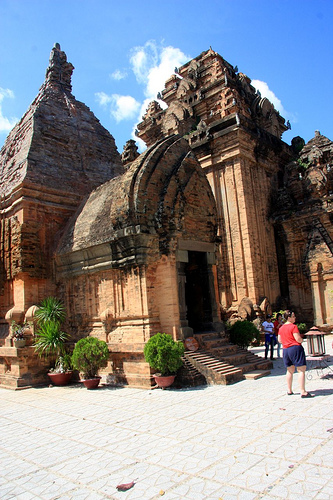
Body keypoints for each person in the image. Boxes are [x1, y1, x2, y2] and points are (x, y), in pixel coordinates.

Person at [278, 310, 313, 398]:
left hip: (286, 349)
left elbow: (279, 340)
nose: (295, 318)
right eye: (293, 316)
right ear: (288, 318)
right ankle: (303, 391)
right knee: (301, 370)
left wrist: (286, 342)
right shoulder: (293, 327)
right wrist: (301, 340)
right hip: (295, 348)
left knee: (289, 370)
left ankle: (289, 390)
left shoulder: (281, 328)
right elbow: (297, 338)